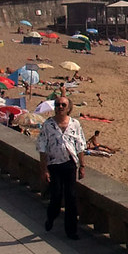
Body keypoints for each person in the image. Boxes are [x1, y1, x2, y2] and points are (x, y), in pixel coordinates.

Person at [36, 96, 86, 240]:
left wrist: (82, 166)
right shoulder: (48, 125)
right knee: (56, 196)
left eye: (63, 105)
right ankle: (51, 218)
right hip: (54, 165)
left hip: (70, 164)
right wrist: (44, 169)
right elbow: (42, 148)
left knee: (71, 197)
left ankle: (71, 231)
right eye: (57, 105)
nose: (60, 107)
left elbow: (80, 145)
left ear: (68, 107)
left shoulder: (75, 124)